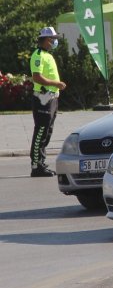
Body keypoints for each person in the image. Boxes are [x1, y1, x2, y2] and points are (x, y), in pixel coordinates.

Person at [29, 27, 67, 177]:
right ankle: (36, 166)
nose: (54, 41)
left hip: (51, 98)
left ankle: (41, 163)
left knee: (47, 131)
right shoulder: (38, 55)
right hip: (42, 98)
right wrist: (56, 84)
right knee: (41, 131)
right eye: (52, 39)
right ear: (45, 39)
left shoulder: (47, 55)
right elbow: (37, 77)